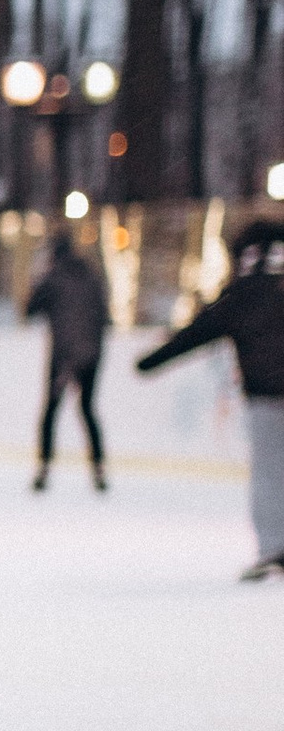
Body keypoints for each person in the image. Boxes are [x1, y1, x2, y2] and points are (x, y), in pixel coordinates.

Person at [133, 212, 284, 580]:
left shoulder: (241, 296)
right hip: (264, 396)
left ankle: (272, 548)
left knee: (267, 474)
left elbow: (196, 333)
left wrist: (150, 361)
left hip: (263, 396)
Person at [25, 227, 108, 492]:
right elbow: (105, 317)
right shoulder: (92, 276)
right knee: (86, 408)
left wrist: (34, 283)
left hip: (63, 355)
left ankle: (44, 469)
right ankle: (99, 469)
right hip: (92, 353)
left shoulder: (52, 278)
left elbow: (30, 310)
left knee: (51, 409)